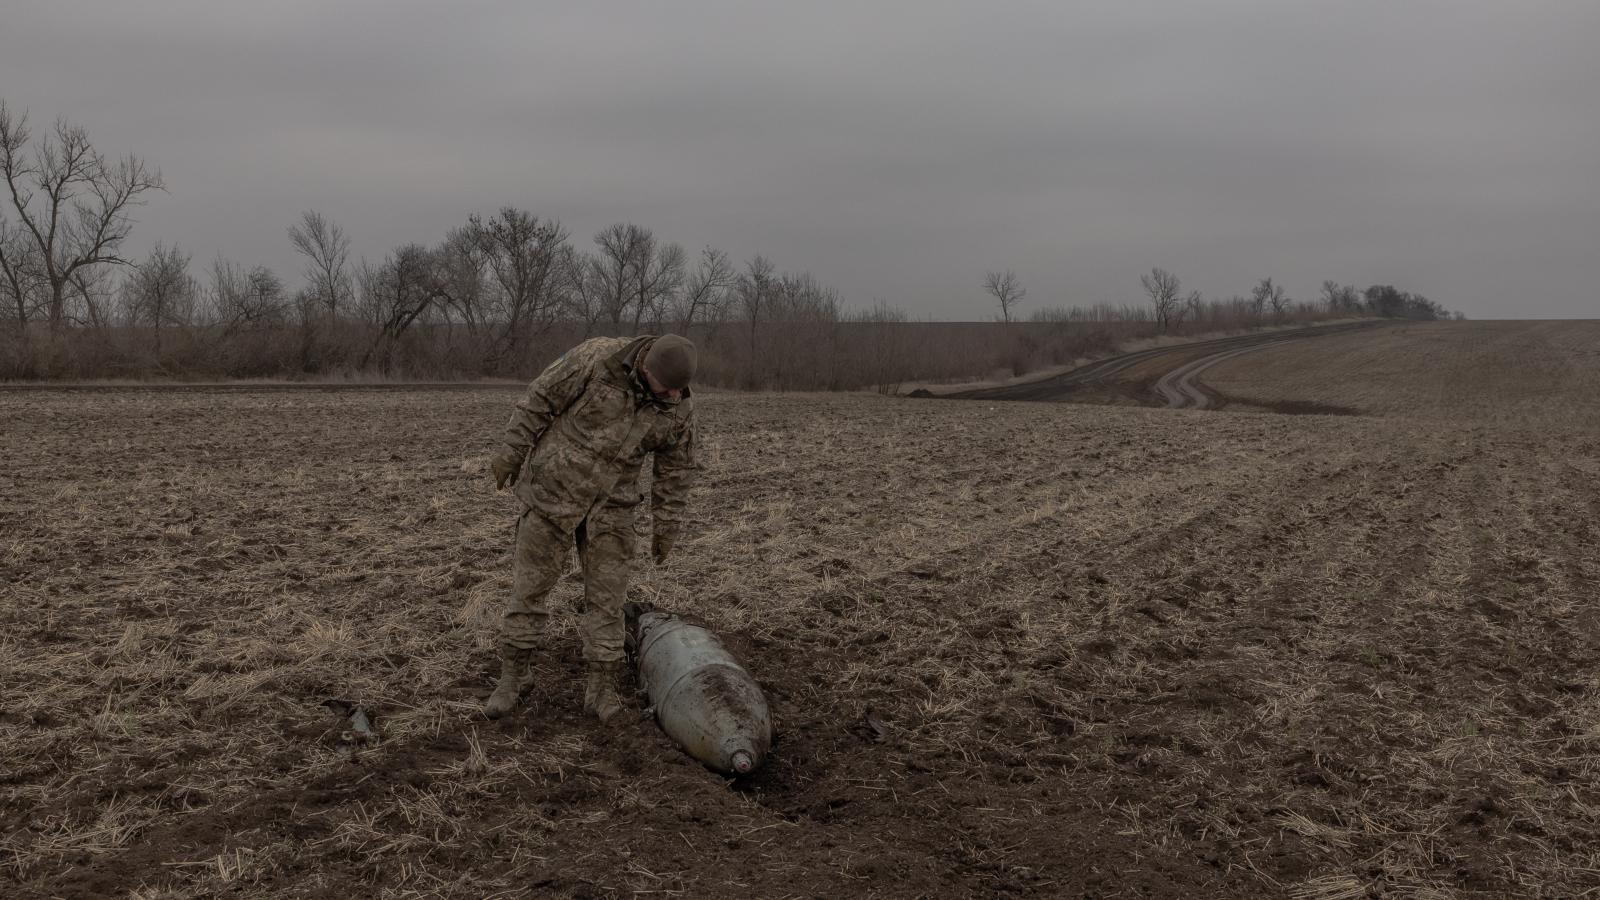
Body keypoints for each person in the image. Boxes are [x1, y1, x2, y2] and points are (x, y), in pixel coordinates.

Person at [485, 333, 699, 722]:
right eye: (665, 388)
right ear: (646, 367)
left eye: (678, 390)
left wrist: (666, 525)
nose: (671, 396)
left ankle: (600, 690)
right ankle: (513, 678)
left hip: (612, 509)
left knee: (607, 602)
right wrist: (510, 451)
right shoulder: (597, 360)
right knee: (529, 590)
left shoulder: (677, 406)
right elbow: (540, 399)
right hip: (553, 492)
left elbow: (677, 470)